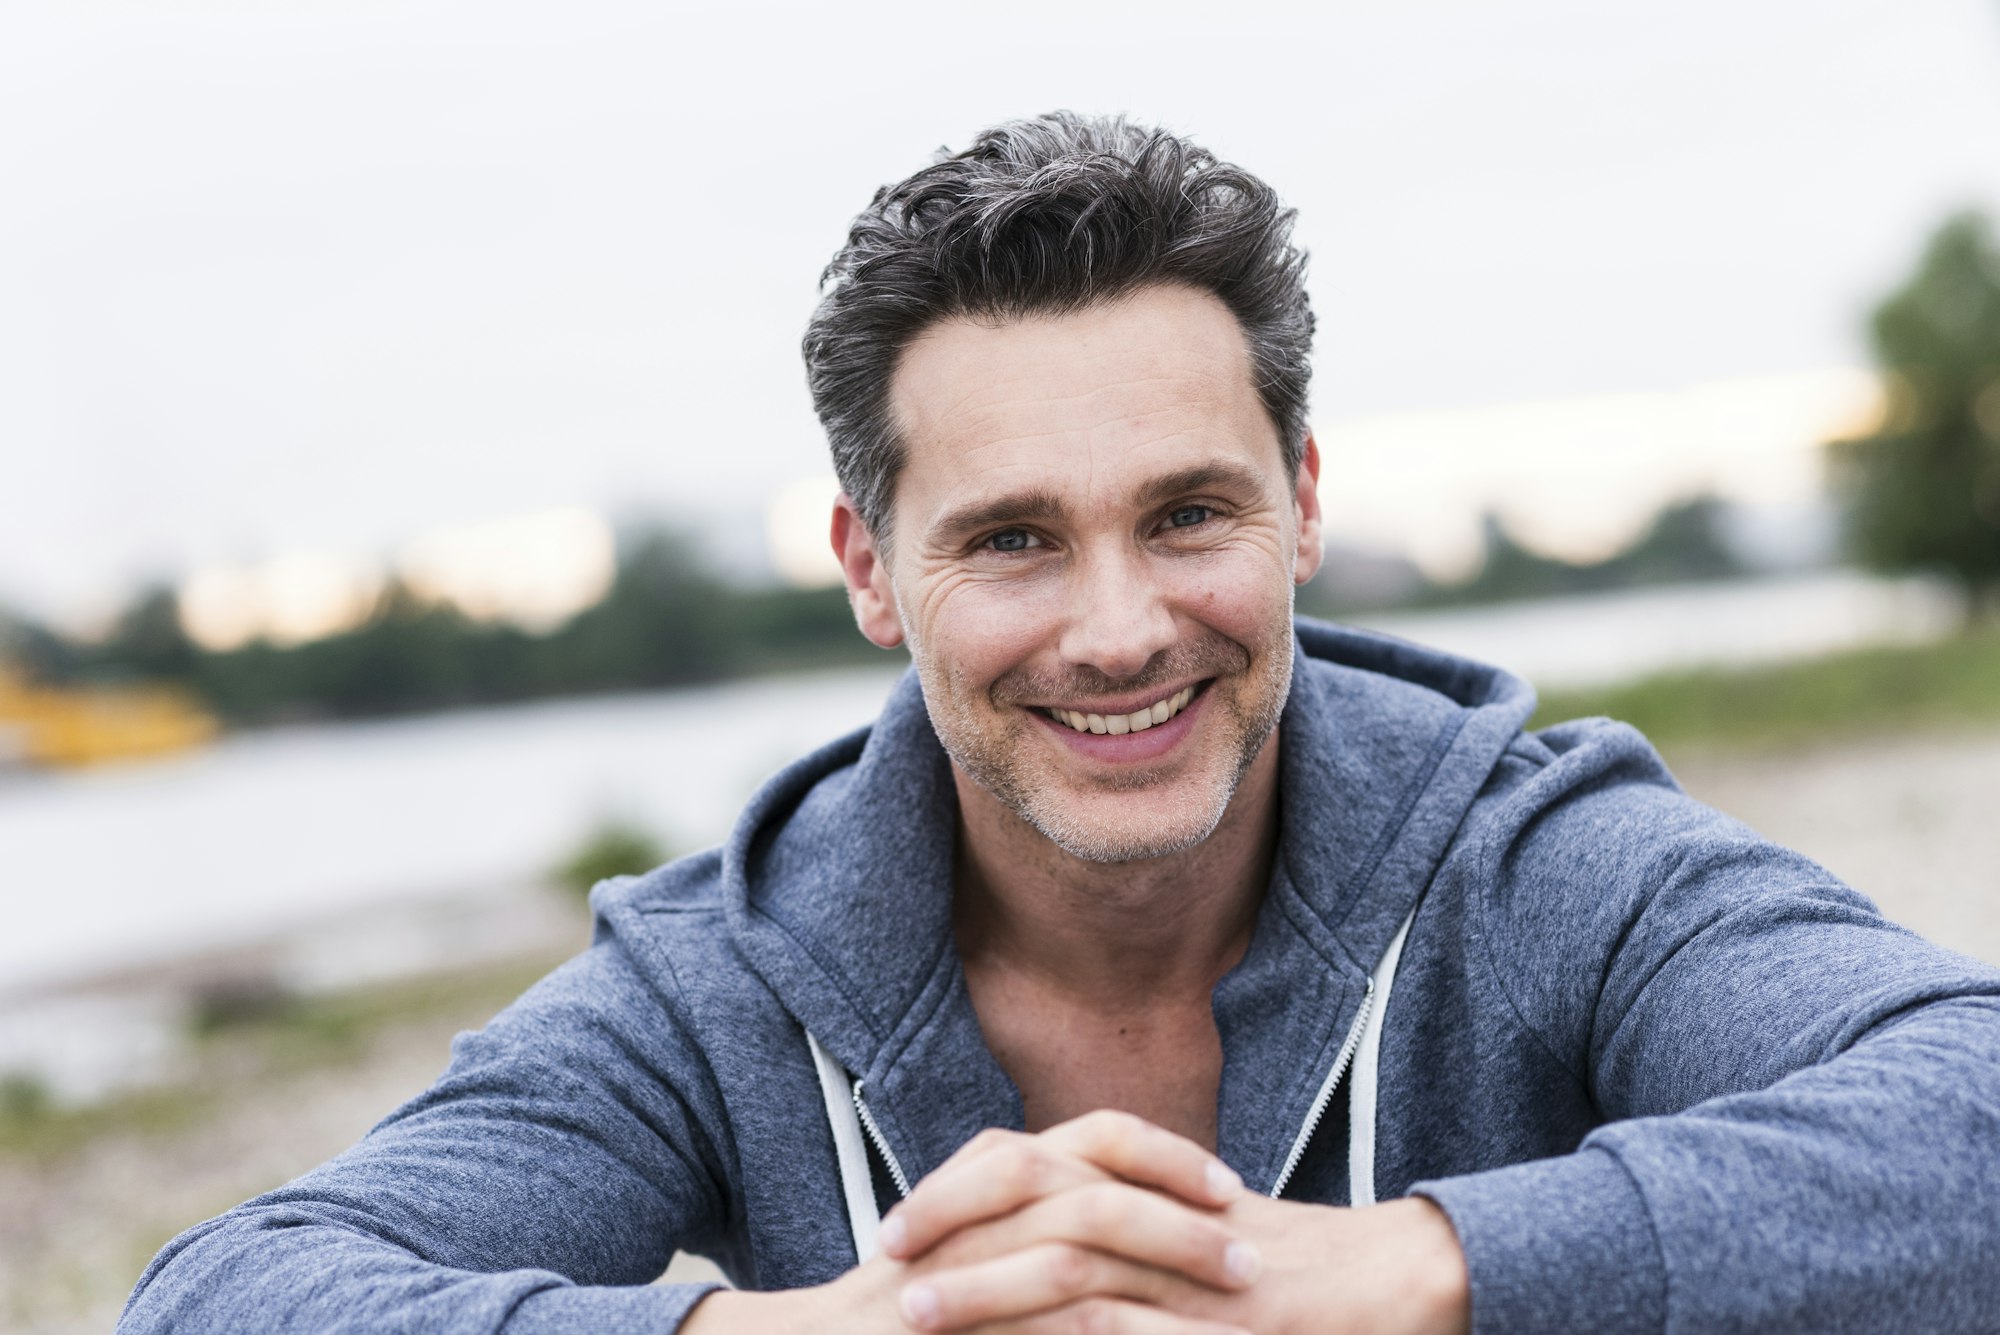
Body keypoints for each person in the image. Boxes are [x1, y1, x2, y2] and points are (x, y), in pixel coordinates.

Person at [120, 112, 2000, 1335]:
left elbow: (1969, 1108)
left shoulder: (1529, 859)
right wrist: (784, 1333)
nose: (1121, 632)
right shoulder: (720, 980)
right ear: (870, 569)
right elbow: (223, 1297)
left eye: (1189, 513)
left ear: (1304, 502)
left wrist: (1412, 1270)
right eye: (1013, 541)